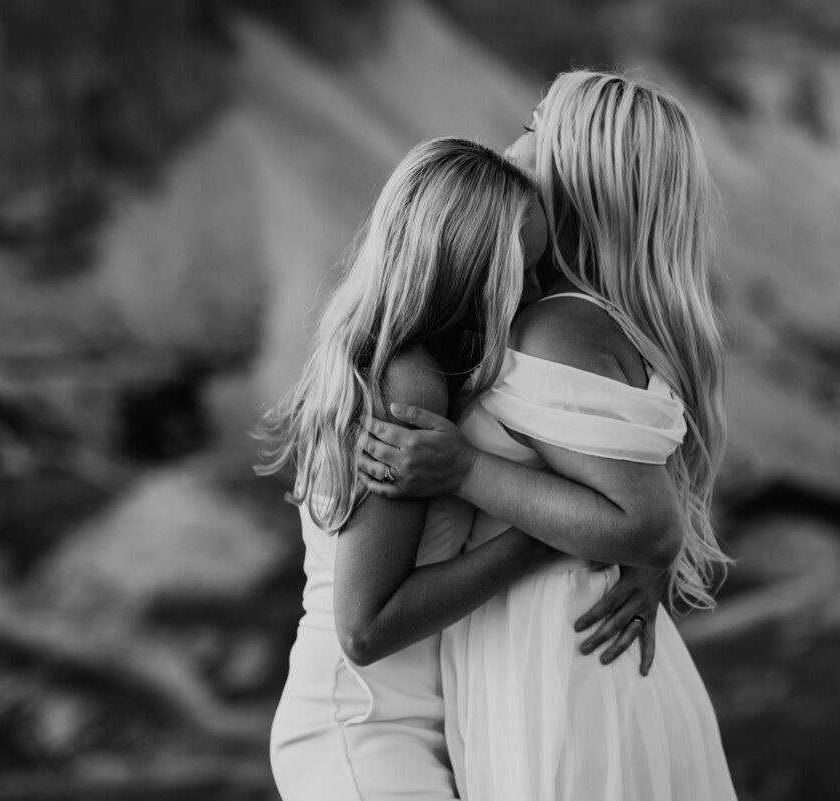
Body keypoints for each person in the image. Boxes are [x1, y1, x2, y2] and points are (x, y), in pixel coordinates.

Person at [359, 71, 738, 800]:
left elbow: (647, 525)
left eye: (538, 123)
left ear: (575, 167)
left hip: (558, 658)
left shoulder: (554, 326)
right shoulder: (574, 313)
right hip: (555, 646)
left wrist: (461, 466)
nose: (516, 137)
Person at [257, 136, 666, 801]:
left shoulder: (421, 363)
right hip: (364, 730)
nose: (533, 292)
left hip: (412, 722)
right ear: (460, 267)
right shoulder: (408, 383)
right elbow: (365, 628)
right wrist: (543, 539)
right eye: (518, 271)